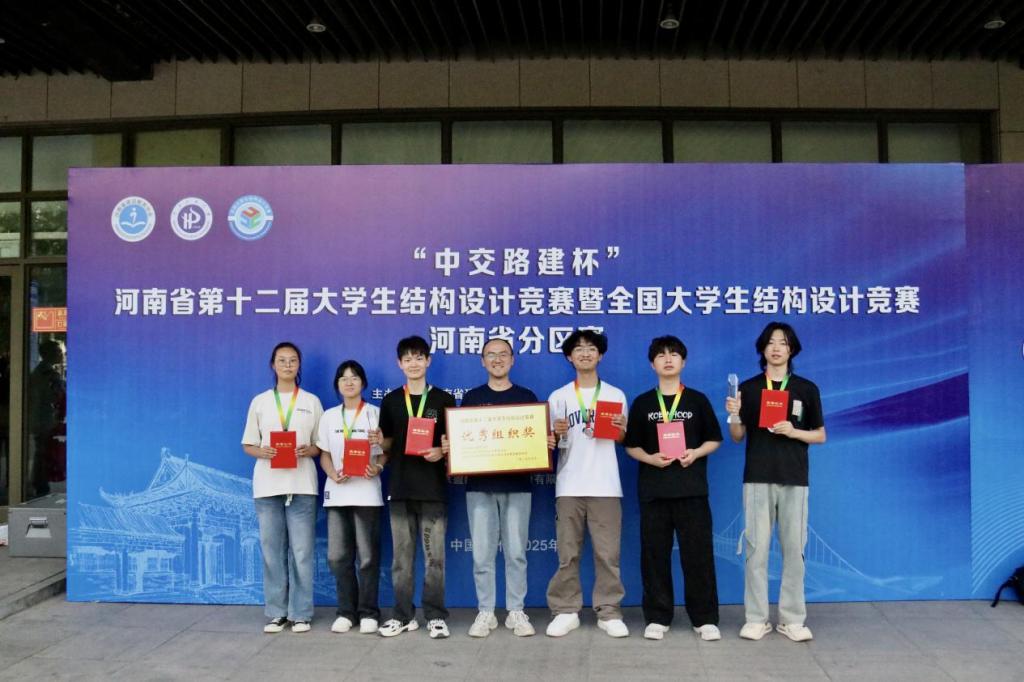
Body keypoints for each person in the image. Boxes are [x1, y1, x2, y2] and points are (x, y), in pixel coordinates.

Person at [444, 338, 555, 638]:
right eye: (491, 355)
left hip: (518, 486)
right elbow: (462, 440)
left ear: (512, 359)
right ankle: (486, 612)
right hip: (479, 486)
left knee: (516, 552)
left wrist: (545, 443)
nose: (497, 359)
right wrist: (452, 446)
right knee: (482, 554)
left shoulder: (526, 396)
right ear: (482, 361)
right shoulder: (471, 398)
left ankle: (516, 611)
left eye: (503, 354)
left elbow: (537, 439)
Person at [725, 322, 826, 643]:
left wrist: (793, 431)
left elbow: (820, 435)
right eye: (770, 342)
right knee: (756, 551)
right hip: (757, 477)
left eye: (782, 342)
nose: (776, 348)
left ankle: (792, 619)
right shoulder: (749, 388)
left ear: (791, 349)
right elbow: (737, 437)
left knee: (794, 550)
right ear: (762, 349)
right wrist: (734, 414)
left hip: (795, 478)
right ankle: (756, 619)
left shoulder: (806, 389)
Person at [624, 335, 723, 642]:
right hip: (654, 492)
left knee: (699, 557)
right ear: (652, 364)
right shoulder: (643, 403)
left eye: (674, 354)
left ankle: (704, 618)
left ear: (684, 361)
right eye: (661, 355)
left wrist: (696, 452)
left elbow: (715, 439)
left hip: (692, 491)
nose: (668, 359)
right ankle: (657, 616)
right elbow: (631, 446)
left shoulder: (697, 400)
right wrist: (650, 459)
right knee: (654, 557)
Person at [545, 329, 629, 638]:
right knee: (568, 554)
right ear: (569, 357)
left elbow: (622, 438)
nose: (584, 353)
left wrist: (621, 430)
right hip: (569, 485)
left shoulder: (616, 395)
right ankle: (566, 611)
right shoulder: (558, 396)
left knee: (608, 555)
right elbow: (550, 444)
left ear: (600, 355)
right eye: (578, 349)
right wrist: (556, 434)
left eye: (591, 348)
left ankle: (609, 611)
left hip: (605, 485)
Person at [376, 335, 456, 639]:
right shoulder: (391, 400)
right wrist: (377, 441)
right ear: (399, 364)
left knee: (435, 558)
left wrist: (442, 451)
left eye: (419, 357)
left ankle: (435, 616)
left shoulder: (444, 399)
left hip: (433, 488)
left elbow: (454, 442)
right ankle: (402, 615)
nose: (413, 363)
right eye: (407, 359)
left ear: (428, 361)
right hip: (400, 487)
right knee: (401, 560)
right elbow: (387, 443)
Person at [241, 342, 323, 633]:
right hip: (268, 487)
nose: (287, 365)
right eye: (282, 360)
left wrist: (308, 450)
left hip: (302, 485)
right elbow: (248, 444)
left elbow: (320, 445)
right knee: (272, 552)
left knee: (301, 552)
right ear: (273, 365)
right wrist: (262, 452)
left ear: (299, 365)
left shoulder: (311, 401)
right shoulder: (261, 401)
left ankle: (301, 613)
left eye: (293, 360)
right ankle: (277, 612)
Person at [317, 360, 385, 635]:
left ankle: (368, 612)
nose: (349, 382)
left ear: (363, 383)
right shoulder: (329, 416)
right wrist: (332, 474)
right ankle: (346, 611)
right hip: (337, 493)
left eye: (354, 377)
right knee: (337, 557)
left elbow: (385, 451)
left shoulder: (375, 413)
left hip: (367, 493)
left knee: (367, 558)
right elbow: (324, 454)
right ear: (337, 385)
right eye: (343, 378)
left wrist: (377, 466)